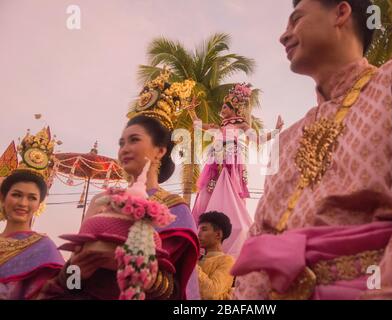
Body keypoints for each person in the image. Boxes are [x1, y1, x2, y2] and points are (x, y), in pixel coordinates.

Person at [232, 0, 392, 300]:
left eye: (296, 20)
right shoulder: (287, 139)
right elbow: (261, 240)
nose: (284, 36)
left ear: (341, 12)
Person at [39, 70, 200, 300]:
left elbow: (177, 291)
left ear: (160, 150)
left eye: (134, 140)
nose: (124, 148)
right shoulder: (100, 202)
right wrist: (77, 272)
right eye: (121, 142)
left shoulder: (176, 210)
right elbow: (72, 283)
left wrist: (143, 274)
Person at [189, 84, 284, 257]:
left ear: (234, 109)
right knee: (206, 195)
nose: (222, 110)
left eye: (225, 107)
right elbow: (198, 125)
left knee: (229, 193)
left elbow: (259, 139)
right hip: (215, 161)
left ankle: (232, 231)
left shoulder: (241, 124)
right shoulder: (219, 126)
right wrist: (191, 112)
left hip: (231, 161)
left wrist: (276, 130)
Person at [0, 128, 64, 299]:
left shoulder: (44, 248)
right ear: (3, 198)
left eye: (31, 198)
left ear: (39, 204)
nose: (23, 203)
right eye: (16, 195)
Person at [196, 211, 235, 300]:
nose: (198, 234)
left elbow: (211, 293)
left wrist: (191, 263)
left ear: (218, 234)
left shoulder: (227, 260)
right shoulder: (197, 257)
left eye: (204, 229)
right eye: (198, 229)